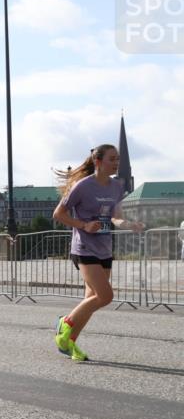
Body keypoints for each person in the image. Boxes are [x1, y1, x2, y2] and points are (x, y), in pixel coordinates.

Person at [52, 144, 145, 362]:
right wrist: (84, 225)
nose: (116, 163)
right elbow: (59, 214)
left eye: (118, 159)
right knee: (105, 296)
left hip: (104, 248)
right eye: (112, 159)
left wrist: (129, 225)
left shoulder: (116, 186)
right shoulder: (82, 186)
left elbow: (116, 217)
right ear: (98, 161)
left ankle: (69, 343)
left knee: (90, 300)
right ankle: (65, 322)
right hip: (84, 248)